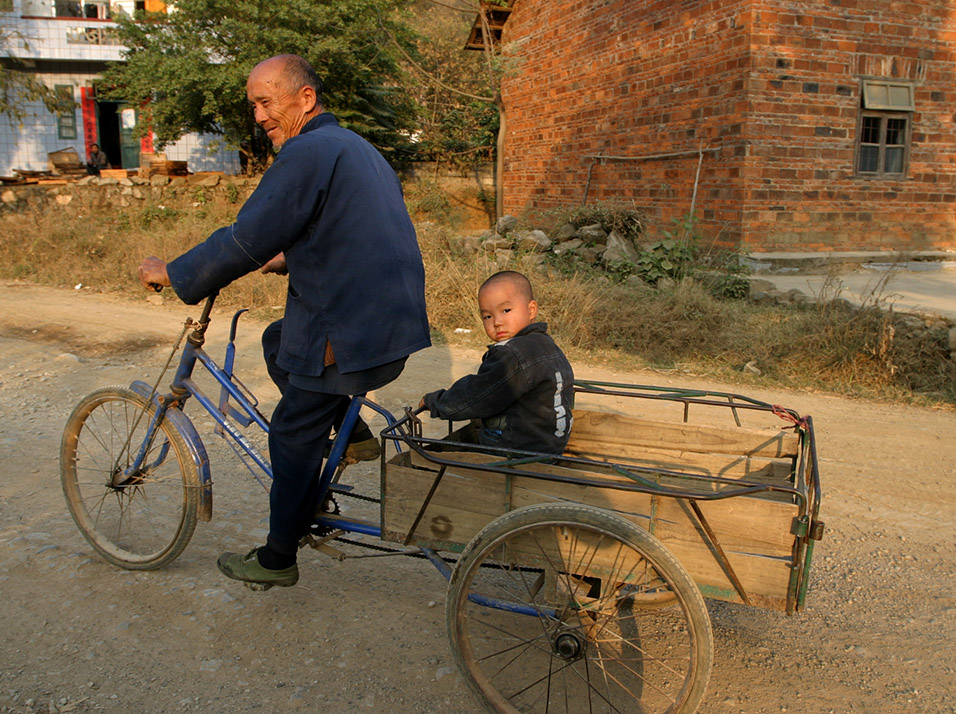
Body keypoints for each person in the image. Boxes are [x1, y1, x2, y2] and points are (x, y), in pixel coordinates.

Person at [137, 54, 430, 589]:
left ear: (305, 99)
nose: (258, 116)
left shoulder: (307, 150)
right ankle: (355, 433)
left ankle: (277, 557)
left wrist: (176, 275)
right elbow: (350, 229)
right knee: (278, 339)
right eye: (254, 105)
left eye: (266, 102)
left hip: (352, 330)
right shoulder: (356, 148)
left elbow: (245, 237)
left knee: (292, 432)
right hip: (390, 324)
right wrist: (291, 257)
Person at [421, 271, 574, 454]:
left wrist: (435, 402)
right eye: (487, 316)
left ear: (531, 310)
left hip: (515, 451)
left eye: (506, 310)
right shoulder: (545, 344)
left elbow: (477, 394)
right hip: (548, 446)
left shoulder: (512, 354)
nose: (497, 322)